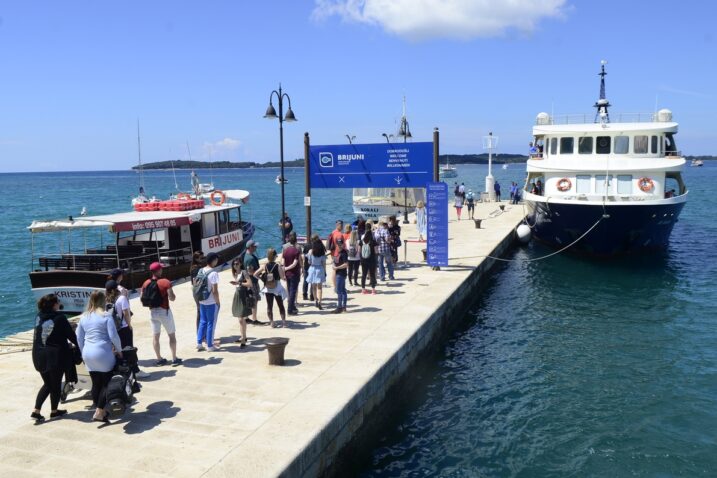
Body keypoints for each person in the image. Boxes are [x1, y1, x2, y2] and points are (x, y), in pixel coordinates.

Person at [77, 290, 122, 423]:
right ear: (103, 301)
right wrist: (119, 350)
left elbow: (79, 337)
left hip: (87, 352)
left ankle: (98, 408)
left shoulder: (84, 316)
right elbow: (113, 336)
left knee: (96, 382)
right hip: (102, 352)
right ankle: (99, 411)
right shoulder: (106, 316)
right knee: (107, 383)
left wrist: (82, 352)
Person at [31, 294, 78, 422]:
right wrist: (80, 345)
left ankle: (36, 411)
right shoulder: (60, 318)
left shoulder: (38, 317)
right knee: (55, 385)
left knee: (48, 384)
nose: (59, 303)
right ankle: (54, 411)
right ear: (53, 305)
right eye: (58, 302)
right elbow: (71, 336)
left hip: (38, 355)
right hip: (55, 356)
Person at [106, 280, 149, 378]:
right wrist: (129, 324)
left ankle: (121, 371)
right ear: (117, 288)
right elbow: (126, 313)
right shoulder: (121, 298)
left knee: (118, 350)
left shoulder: (106, 300)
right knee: (129, 349)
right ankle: (135, 371)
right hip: (124, 328)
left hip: (113, 329)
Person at [141, 262, 181, 365]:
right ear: (158, 270)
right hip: (164, 311)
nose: (162, 270)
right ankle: (174, 359)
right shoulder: (165, 282)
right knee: (171, 335)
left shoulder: (145, 283)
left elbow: (142, 299)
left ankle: (159, 359)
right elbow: (172, 298)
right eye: (161, 269)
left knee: (155, 337)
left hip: (152, 312)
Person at [255, 248, 288, 327]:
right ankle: (284, 322)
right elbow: (282, 277)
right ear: (274, 256)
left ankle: (272, 322)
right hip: (276, 287)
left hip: (268, 288)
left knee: (269, 306)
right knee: (280, 305)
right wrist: (284, 276)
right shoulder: (277, 265)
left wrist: (262, 279)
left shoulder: (265, 265)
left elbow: (255, 274)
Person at [196, 252, 221, 352]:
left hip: (202, 300)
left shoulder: (201, 270)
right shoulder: (213, 273)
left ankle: (199, 343)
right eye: (216, 259)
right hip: (211, 302)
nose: (217, 261)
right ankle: (210, 345)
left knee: (203, 321)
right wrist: (218, 302)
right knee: (211, 323)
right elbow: (215, 291)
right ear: (213, 260)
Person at [242, 240, 265, 325]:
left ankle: (247, 317)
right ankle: (254, 319)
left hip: (249, 281)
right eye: (255, 246)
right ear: (250, 247)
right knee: (254, 300)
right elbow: (250, 271)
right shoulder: (250, 258)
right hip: (253, 282)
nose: (256, 248)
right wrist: (260, 271)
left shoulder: (246, 255)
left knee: (249, 300)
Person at [230, 258, 252, 347]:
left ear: (240, 264)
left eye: (237, 264)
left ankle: (243, 339)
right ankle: (243, 336)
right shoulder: (235, 273)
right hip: (238, 296)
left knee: (241, 319)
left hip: (243, 296)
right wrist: (236, 283)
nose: (235, 265)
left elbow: (249, 284)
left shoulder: (244, 272)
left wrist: (239, 283)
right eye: (234, 264)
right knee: (240, 319)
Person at [282, 231, 302, 315]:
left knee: (290, 289)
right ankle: (290, 309)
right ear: (296, 241)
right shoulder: (296, 251)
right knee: (293, 291)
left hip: (287, 274)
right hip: (294, 273)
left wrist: (284, 269)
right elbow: (295, 263)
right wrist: (302, 268)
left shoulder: (285, 250)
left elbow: (282, 261)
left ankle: (292, 306)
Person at [306, 238, 327, 309]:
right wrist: (324, 271)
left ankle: (316, 300)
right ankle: (320, 302)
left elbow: (309, 262)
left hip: (312, 269)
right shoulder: (322, 252)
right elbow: (324, 263)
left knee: (313, 287)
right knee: (320, 287)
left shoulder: (311, 251)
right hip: (320, 269)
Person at [189, 251, 205, 331]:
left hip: (197, 291)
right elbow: (195, 283)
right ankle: (200, 333)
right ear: (196, 259)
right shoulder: (196, 269)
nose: (202, 260)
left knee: (201, 312)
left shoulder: (196, 267)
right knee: (200, 312)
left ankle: (200, 333)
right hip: (198, 292)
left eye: (203, 258)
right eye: (201, 258)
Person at [332, 236, 349, 313]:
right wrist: (333, 265)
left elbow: (346, 264)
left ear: (343, 244)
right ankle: (343, 307)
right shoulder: (338, 251)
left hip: (341, 273)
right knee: (342, 290)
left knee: (340, 290)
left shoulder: (344, 253)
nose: (339, 245)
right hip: (338, 273)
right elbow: (335, 261)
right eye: (338, 244)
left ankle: (340, 307)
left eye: (340, 244)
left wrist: (337, 268)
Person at [360, 230, 377, 295]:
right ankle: (373, 290)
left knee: (364, 275)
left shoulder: (361, 242)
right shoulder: (373, 242)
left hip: (363, 260)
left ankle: (363, 290)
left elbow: (359, 251)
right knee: (372, 275)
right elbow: (376, 251)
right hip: (372, 260)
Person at [302, 236, 316, 302]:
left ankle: (304, 294)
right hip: (313, 266)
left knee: (306, 280)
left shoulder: (306, 245)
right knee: (312, 281)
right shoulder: (315, 246)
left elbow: (304, 256)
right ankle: (312, 296)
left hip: (306, 265)